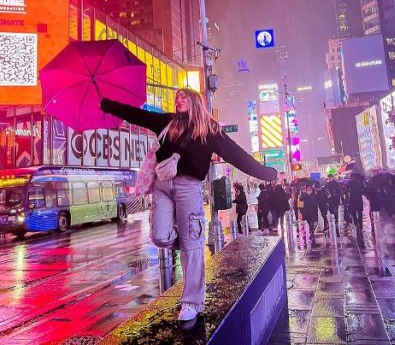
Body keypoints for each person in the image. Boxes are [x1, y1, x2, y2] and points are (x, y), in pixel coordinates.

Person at [100, 89, 277, 322]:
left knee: (192, 244)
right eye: (177, 98)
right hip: (162, 186)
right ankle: (186, 241)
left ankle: (192, 302)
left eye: (184, 97)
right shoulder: (166, 122)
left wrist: (266, 173)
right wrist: (106, 103)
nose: (178, 100)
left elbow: (237, 156)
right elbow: (135, 115)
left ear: (194, 101)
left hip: (188, 188)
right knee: (159, 236)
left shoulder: (210, 130)